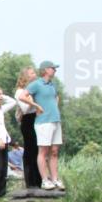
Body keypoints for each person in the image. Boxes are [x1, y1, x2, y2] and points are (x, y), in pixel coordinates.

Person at [27, 60, 65, 190]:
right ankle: (45, 180)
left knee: (54, 151)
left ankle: (55, 179)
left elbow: (56, 98)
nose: (55, 70)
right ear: (45, 70)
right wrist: (36, 106)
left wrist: (55, 107)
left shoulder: (52, 85)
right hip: (43, 122)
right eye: (53, 68)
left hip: (55, 120)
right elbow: (22, 96)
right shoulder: (36, 84)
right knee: (43, 151)